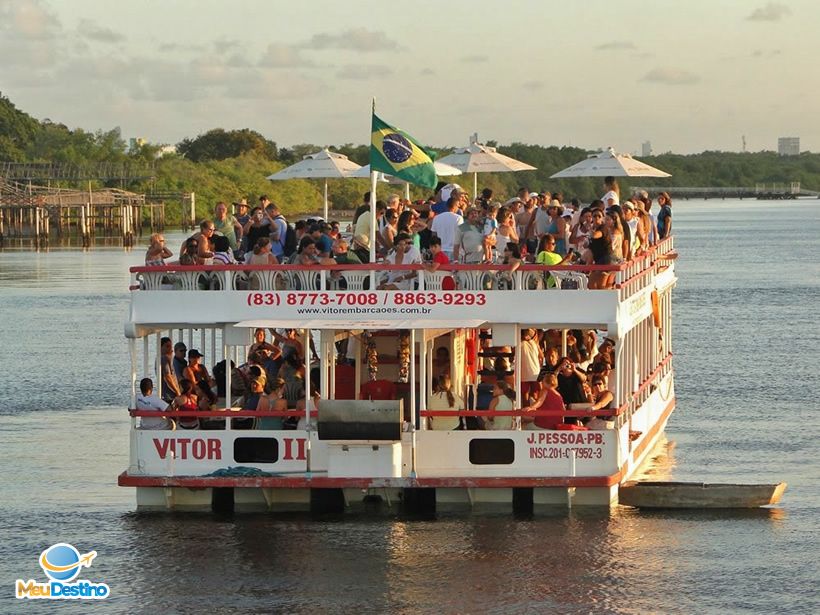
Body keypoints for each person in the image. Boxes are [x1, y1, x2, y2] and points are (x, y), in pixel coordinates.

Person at [519, 328, 543, 404]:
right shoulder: (534, 343)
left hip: (525, 372)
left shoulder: (518, 343)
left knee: (525, 396)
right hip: (535, 372)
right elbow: (541, 356)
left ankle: (526, 413)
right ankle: (534, 412)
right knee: (535, 395)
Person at [159, 336, 181, 403]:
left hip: (167, 394)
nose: (170, 349)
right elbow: (167, 376)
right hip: (169, 395)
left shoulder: (165, 358)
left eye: (170, 346)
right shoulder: (163, 358)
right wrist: (177, 391)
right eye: (167, 346)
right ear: (161, 347)